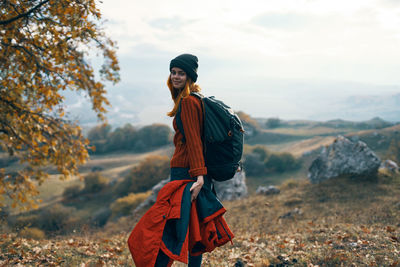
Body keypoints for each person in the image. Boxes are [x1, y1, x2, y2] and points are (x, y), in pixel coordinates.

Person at [127, 54, 234, 267]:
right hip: (195, 172)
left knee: (166, 228)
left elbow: (194, 141)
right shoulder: (196, 100)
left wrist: (199, 177)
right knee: (194, 229)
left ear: (190, 77)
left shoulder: (188, 103)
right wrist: (201, 175)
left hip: (187, 174)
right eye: (173, 72)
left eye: (181, 73)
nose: (176, 76)